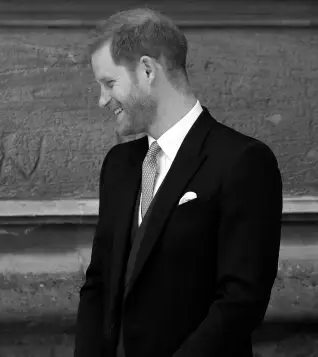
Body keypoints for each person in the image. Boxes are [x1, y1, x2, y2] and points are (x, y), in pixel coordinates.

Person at [74, 8, 283, 357]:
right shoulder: (120, 165)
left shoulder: (242, 161)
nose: (102, 100)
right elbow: (98, 283)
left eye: (109, 83)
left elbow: (240, 301)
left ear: (146, 70)